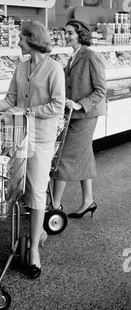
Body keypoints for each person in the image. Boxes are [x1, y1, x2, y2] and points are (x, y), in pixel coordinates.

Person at [0, 20, 65, 279]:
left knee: (36, 192)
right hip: (17, 138)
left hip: (41, 140)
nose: (18, 42)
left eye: (21, 38)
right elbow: (10, 100)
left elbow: (57, 106)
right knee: (17, 190)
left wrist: (28, 111)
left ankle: (34, 251)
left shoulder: (55, 69)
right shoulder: (21, 68)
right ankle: (35, 233)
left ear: (31, 39)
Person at [50, 19, 107, 219]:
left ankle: (54, 206)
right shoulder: (72, 57)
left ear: (81, 34)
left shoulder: (91, 56)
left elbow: (101, 90)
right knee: (84, 156)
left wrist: (79, 104)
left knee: (63, 158)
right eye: (65, 32)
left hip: (85, 115)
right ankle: (87, 201)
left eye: (70, 33)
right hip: (74, 115)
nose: (66, 36)